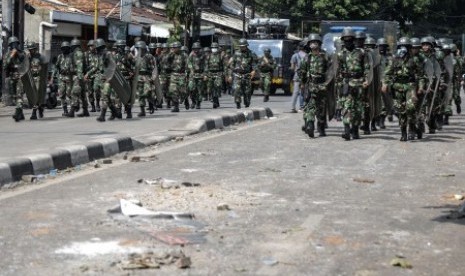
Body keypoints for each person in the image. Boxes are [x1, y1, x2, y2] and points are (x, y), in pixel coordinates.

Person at [382, 37, 424, 141]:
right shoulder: (394, 59)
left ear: (410, 48)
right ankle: (403, 132)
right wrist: (385, 84)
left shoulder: (414, 60)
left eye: (406, 46)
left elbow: (421, 75)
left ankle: (412, 129)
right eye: (401, 46)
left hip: (410, 86)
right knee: (401, 111)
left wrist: (421, 87)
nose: (403, 48)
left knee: (410, 108)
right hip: (397, 87)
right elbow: (387, 73)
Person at [336, 27, 371, 140]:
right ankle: (346, 131)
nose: (348, 42)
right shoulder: (341, 54)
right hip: (346, 83)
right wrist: (339, 84)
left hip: (359, 83)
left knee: (357, 108)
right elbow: (338, 71)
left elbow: (366, 68)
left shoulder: (361, 52)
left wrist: (366, 80)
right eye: (345, 40)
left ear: (353, 40)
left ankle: (355, 130)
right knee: (346, 106)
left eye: (350, 39)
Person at [299, 33, 329, 138]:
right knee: (310, 106)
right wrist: (302, 84)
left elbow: (331, 71)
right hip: (310, 85)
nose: (313, 44)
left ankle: (321, 128)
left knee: (321, 109)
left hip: (322, 86)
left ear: (319, 44)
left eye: (315, 42)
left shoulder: (325, 56)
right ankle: (310, 126)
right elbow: (302, 71)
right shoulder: (307, 58)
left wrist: (328, 83)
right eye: (311, 43)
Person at [228, 38, 257, 109]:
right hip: (237, 75)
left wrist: (254, 70)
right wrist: (229, 75)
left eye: (243, 46)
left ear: (246, 46)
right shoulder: (236, 54)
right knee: (236, 89)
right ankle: (238, 103)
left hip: (247, 75)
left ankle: (247, 102)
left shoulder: (251, 54)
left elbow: (254, 64)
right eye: (241, 46)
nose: (242, 47)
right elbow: (231, 65)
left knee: (247, 92)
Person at [3, 36, 26, 121]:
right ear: (10, 45)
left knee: (19, 94)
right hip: (12, 77)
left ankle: (17, 113)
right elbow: (5, 66)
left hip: (21, 76)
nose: (14, 46)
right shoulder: (7, 54)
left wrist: (17, 54)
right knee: (15, 96)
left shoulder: (22, 53)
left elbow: (24, 62)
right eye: (13, 44)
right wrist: (12, 55)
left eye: (16, 44)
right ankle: (21, 114)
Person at [52, 41, 74, 117]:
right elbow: (56, 66)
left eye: (66, 48)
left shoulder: (71, 57)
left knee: (69, 94)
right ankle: (65, 110)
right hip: (61, 78)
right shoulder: (60, 57)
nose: (65, 50)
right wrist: (53, 76)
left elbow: (73, 69)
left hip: (69, 78)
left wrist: (68, 70)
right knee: (61, 94)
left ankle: (72, 110)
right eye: (63, 48)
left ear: (69, 49)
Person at [26, 41, 46, 119]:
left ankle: (34, 112)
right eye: (29, 49)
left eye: (32, 49)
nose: (31, 51)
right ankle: (39, 108)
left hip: (38, 78)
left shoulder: (40, 57)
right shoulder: (27, 57)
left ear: (35, 49)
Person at [168, 41, 188, 112]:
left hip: (181, 75)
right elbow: (166, 60)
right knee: (173, 91)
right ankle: (176, 107)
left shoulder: (184, 55)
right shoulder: (172, 55)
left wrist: (188, 74)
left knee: (182, 91)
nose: (174, 49)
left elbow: (187, 65)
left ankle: (185, 99)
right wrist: (171, 52)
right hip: (174, 75)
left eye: (175, 47)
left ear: (179, 48)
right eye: (173, 48)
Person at [204, 42, 224, 108]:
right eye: (213, 48)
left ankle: (215, 101)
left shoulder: (220, 56)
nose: (214, 49)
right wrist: (205, 75)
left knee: (217, 87)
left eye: (215, 48)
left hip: (218, 74)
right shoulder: (208, 56)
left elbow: (224, 66)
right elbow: (206, 66)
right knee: (210, 88)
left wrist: (225, 74)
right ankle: (215, 99)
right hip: (210, 74)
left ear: (217, 48)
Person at [187, 42, 204, 109]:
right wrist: (191, 69)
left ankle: (198, 103)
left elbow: (205, 65)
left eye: (197, 48)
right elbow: (189, 63)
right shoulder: (191, 55)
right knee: (191, 88)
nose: (196, 50)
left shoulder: (202, 55)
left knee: (199, 90)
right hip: (193, 74)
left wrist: (205, 74)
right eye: (195, 48)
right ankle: (193, 101)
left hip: (200, 74)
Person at [290, 43, 306, 112]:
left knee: (295, 92)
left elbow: (292, 67)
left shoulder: (294, 56)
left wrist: (295, 70)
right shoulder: (307, 55)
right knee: (303, 92)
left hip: (297, 76)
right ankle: (302, 107)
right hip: (305, 76)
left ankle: (293, 107)